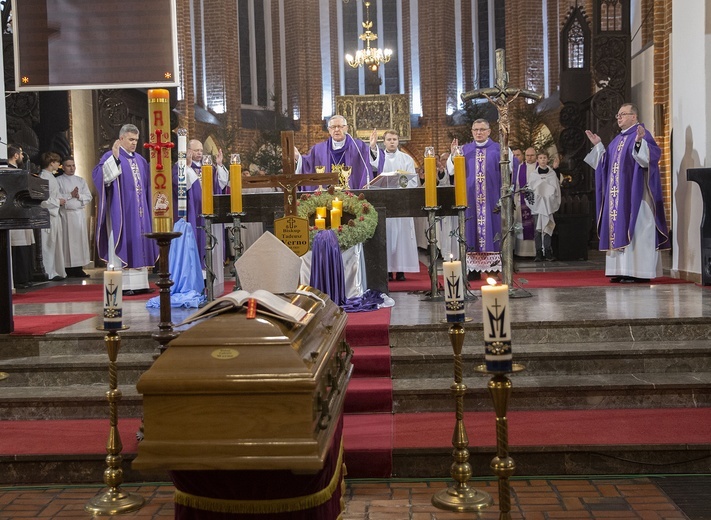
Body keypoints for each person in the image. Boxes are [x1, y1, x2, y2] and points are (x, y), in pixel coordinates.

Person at [585, 103, 670, 282]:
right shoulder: (616, 140)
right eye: (618, 114)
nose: (619, 117)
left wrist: (639, 143)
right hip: (618, 197)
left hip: (636, 195)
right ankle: (622, 270)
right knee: (617, 226)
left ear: (634, 116)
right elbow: (605, 165)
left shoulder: (642, 134)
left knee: (638, 228)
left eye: (623, 114)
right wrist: (599, 146)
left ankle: (640, 272)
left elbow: (648, 160)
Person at [93, 124, 158, 291]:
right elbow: (100, 177)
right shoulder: (111, 156)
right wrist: (114, 160)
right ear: (121, 139)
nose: (134, 143)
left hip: (140, 212)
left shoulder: (141, 161)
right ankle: (123, 286)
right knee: (121, 239)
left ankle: (141, 284)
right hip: (121, 212)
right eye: (130, 139)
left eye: (136, 140)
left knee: (140, 240)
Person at [447, 119, 509, 275]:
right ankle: (472, 270)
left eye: (482, 129)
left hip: (492, 200)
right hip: (470, 200)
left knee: (493, 230)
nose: (479, 132)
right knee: (471, 230)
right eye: (475, 130)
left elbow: (510, 169)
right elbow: (452, 170)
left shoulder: (499, 149)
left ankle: (492, 270)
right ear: (472, 131)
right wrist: (453, 156)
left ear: (489, 131)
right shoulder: (464, 150)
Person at [172, 139, 229, 287]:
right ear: (188, 151)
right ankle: (197, 275)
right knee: (197, 240)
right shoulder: (180, 166)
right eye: (196, 150)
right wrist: (188, 167)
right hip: (193, 212)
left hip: (208, 211)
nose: (199, 153)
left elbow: (222, 183)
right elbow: (179, 185)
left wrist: (220, 165)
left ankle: (209, 273)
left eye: (201, 151)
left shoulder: (209, 167)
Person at [369, 129, 419, 281]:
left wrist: (400, 182)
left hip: (401, 201)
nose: (392, 142)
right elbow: (372, 172)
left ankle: (401, 270)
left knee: (402, 237)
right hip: (384, 202)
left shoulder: (406, 159)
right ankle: (388, 270)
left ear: (398, 141)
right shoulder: (379, 158)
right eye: (389, 139)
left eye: (394, 139)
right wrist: (372, 147)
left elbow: (413, 181)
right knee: (387, 236)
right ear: (383, 142)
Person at [295, 115, 377, 189]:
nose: (337, 130)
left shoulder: (358, 146)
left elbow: (368, 161)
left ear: (346, 128)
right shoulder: (318, 149)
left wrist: (372, 147)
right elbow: (308, 165)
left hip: (352, 195)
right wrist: (298, 157)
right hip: (327, 195)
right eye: (333, 127)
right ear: (329, 130)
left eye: (340, 126)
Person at [4, 144, 36, 288]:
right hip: (13, 214)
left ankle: (26, 276)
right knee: (17, 246)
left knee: (24, 245)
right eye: (21, 154)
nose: (23, 157)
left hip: (22, 212)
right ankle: (19, 279)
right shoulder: (8, 172)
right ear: (16, 156)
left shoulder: (19, 172)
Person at [57, 156, 92, 278]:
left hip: (78, 214)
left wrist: (78, 196)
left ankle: (79, 268)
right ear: (63, 167)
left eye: (73, 165)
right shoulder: (59, 180)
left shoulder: (81, 180)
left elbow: (88, 196)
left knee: (79, 242)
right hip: (66, 215)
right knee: (67, 242)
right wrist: (70, 194)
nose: (72, 168)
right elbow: (57, 196)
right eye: (68, 166)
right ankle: (67, 268)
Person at [528, 151, 561, 262]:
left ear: (547, 160)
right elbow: (530, 190)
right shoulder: (533, 175)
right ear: (537, 160)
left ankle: (547, 251)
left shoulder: (552, 174)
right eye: (540, 158)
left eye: (544, 158)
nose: (542, 160)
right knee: (538, 230)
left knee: (547, 228)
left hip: (548, 205)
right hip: (537, 206)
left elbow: (556, 187)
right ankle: (538, 252)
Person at [38, 152, 66, 281]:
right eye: (56, 162)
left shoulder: (51, 177)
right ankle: (48, 272)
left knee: (54, 243)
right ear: (51, 163)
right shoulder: (43, 177)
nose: (58, 164)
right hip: (47, 215)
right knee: (47, 243)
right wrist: (57, 202)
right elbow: (42, 200)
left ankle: (54, 270)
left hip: (54, 215)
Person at [513, 147, 538, 257]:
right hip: (522, 201)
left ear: (536, 155)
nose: (529, 157)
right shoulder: (520, 168)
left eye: (532, 155)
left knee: (536, 226)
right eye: (527, 155)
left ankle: (536, 251)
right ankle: (521, 252)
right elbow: (516, 185)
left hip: (537, 202)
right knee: (521, 226)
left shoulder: (540, 167)